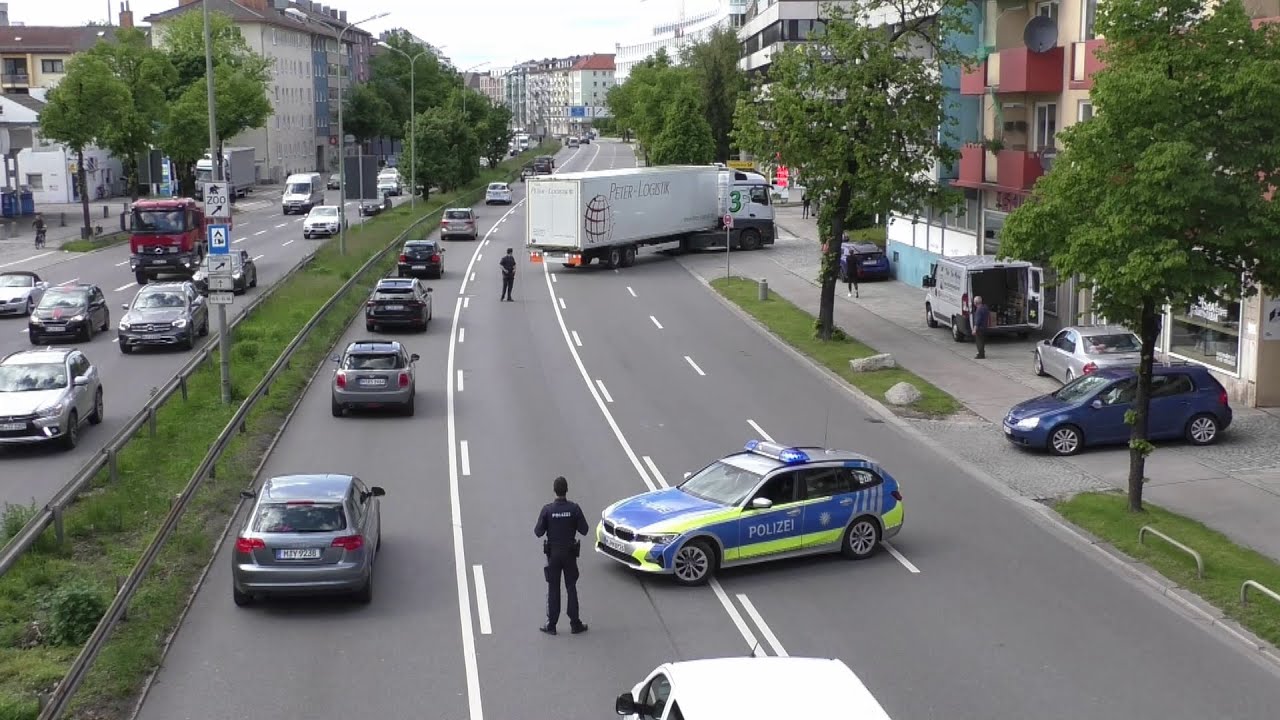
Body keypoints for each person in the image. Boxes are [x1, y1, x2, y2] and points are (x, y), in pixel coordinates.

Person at [533, 476, 589, 636]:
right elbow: (584, 529)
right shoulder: (574, 509)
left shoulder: (547, 510)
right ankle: (575, 623)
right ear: (567, 490)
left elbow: (538, 532)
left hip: (553, 555)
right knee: (571, 587)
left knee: (553, 588)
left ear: (554, 490)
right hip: (570, 554)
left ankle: (551, 624)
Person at [838, 234, 858, 298]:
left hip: (849, 271)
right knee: (855, 282)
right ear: (853, 252)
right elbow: (857, 263)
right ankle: (856, 291)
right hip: (855, 271)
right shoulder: (855, 257)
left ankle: (850, 292)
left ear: (849, 253)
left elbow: (847, 264)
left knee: (849, 282)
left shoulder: (848, 258)